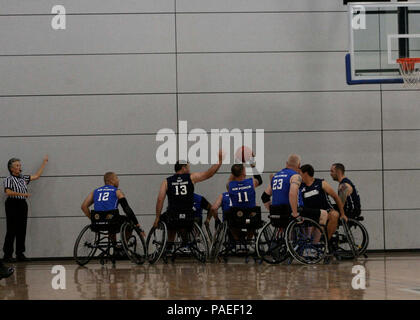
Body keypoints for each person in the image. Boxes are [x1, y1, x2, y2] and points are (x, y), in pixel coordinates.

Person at [154, 150, 224, 245]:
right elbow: (208, 174)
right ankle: (186, 242)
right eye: (188, 167)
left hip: (173, 216)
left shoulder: (166, 181)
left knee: (169, 221)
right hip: (188, 216)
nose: (189, 169)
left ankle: (169, 246)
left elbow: (160, 200)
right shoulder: (191, 177)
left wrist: (157, 217)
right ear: (183, 168)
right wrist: (219, 161)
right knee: (184, 221)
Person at [261, 154, 328, 227]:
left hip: (276, 212)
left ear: (286, 163)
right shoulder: (295, 176)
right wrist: (295, 214)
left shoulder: (276, 176)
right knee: (324, 214)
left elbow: (264, 196)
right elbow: (293, 193)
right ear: (299, 165)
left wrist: (272, 211)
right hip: (290, 211)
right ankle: (318, 238)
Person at [3, 156, 48, 262]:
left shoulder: (23, 178)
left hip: (22, 204)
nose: (19, 167)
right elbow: (8, 192)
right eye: (17, 165)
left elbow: (36, 176)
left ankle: (20, 254)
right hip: (12, 204)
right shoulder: (8, 179)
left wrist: (44, 163)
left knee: (22, 229)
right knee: (11, 229)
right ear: (11, 168)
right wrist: (22, 194)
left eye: (20, 165)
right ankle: (7, 255)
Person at [81, 172, 145, 241]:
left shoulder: (95, 191)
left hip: (97, 222)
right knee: (126, 221)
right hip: (112, 221)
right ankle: (124, 244)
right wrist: (137, 224)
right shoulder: (117, 191)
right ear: (111, 181)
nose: (118, 181)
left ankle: (114, 245)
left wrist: (92, 219)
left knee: (111, 218)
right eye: (116, 178)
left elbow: (84, 206)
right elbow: (127, 209)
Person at [299, 164, 347, 240]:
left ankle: (327, 240)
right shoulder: (300, 186)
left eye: (300, 173)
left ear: (305, 174)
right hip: (310, 213)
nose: (299, 176)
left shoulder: (321, 183)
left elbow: (336, 197)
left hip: (326, 211)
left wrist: (343, 214)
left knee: (334, 215)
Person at [226, 157, 263, 240]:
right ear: (243, 172)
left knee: (231, 218)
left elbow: (231, 178)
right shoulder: (251, 182)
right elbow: (259, 180)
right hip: (250, 218)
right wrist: (253, 166)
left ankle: (237, 238)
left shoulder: (230, 185)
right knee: (253, 216)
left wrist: (237, 168)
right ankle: (249, 238)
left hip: (237, 218)